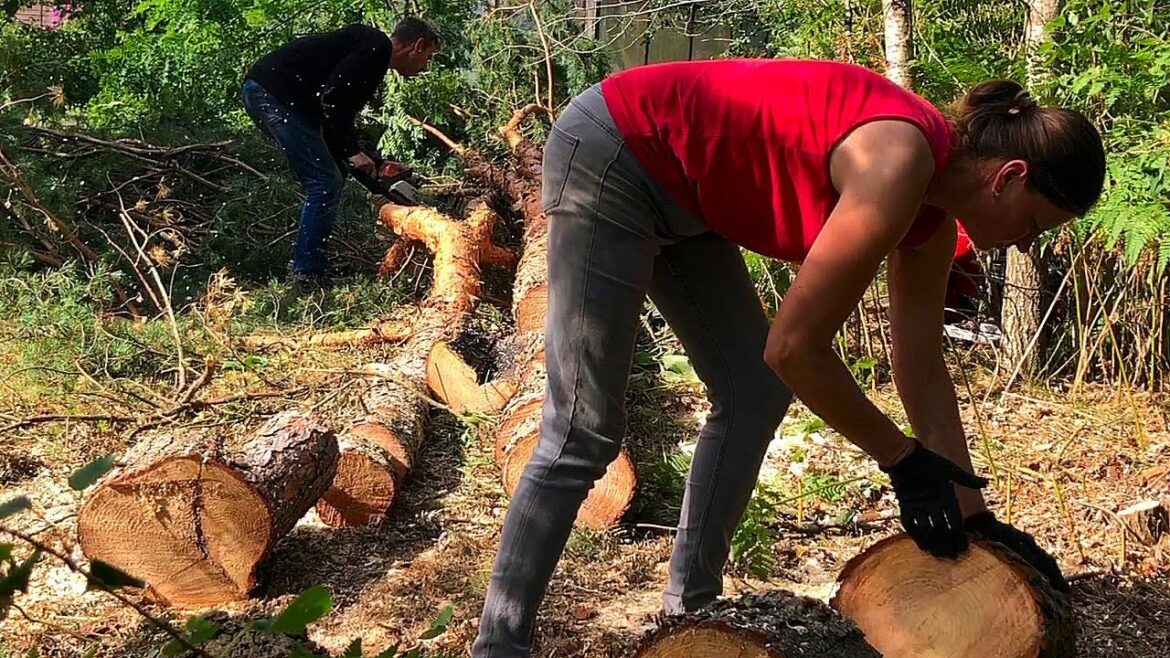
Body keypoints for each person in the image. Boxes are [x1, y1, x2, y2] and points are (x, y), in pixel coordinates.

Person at [472, 58, 1105, 657]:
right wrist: (902, 460)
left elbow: (921, 368)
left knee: (753, 391)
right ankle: (498, 646)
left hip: (687, 197)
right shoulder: (900, 161)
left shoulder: (932, 222)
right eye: (1036, 223)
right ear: (1009, 176)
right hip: (618, 149)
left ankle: (688, 614)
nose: (1025, 241)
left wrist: (975, 518)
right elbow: (795, 348)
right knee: (582, 430)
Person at [241, 18, 438, 279]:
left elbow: (335, 119)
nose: (425, 67)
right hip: (274, 96)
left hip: (281, 98)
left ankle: (312, 261)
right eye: (428, 57)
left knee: (333, 174)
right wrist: (353, 151)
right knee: (324, 181)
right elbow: (333, 101)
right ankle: (307, 270)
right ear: (418, 45)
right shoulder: (376, 46)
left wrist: (369, 165)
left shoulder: (369, 54)